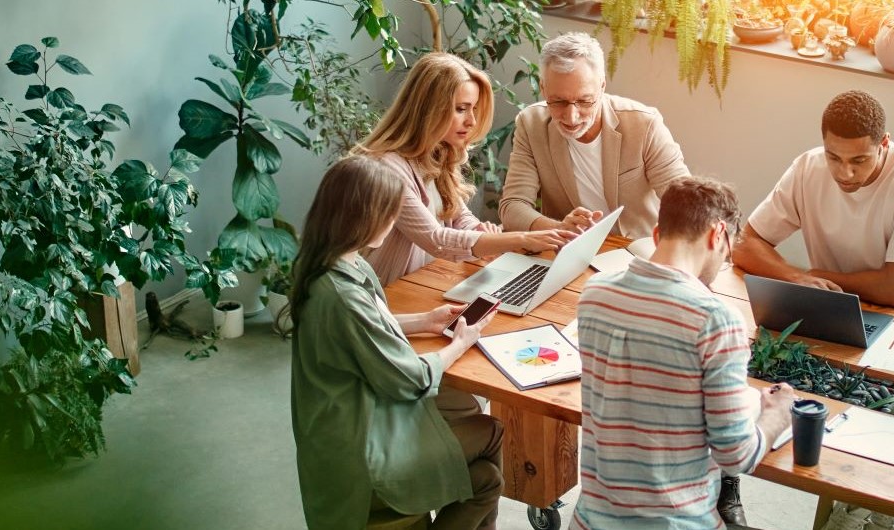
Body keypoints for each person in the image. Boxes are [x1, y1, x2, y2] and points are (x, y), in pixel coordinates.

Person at [289, 155, 503, 530]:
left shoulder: (327, 265)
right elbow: (411, 380)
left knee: (484, 473)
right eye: (388, 213)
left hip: (338, 438)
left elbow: (358, 328)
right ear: (363, 217)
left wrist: (426, 320)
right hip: (365, 455)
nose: (393, 223)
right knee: (489, 453)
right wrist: (460, 343)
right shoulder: (343, 293)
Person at [572, 176, 796, 530]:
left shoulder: (594, 293)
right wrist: (777, 415)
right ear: (717, 234)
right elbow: (738, 456)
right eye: (726, 252)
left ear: (658, 233)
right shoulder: (716, 320)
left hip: (589, 521)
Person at [358, 52, 575, 287]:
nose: (471, 121)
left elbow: (459, 216)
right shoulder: (387, 169)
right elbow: (436, 239)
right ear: (428, 110)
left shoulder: (437, 153)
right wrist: (521, 239)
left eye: (473, 109)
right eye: (461, 109)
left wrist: (480, 231)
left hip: (429, 281)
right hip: (390, 294)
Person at [733, 90, 894, 317]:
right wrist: (797, 278)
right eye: (834, 158)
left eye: (859, 160)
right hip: (840, 308)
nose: (845, 173)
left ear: (884, 143)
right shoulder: (807, 169)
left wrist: (817, 277)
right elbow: (744, 245)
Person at [499, 32, 692, 239]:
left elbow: (687, 201)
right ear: (543, 88)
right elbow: (513, 205)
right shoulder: (531, 124)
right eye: (558, 102)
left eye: (584, 101)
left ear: (602, 86)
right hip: (569, 250)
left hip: (635, 249)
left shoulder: (644, 125)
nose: (571, 118)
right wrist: (559, 228)